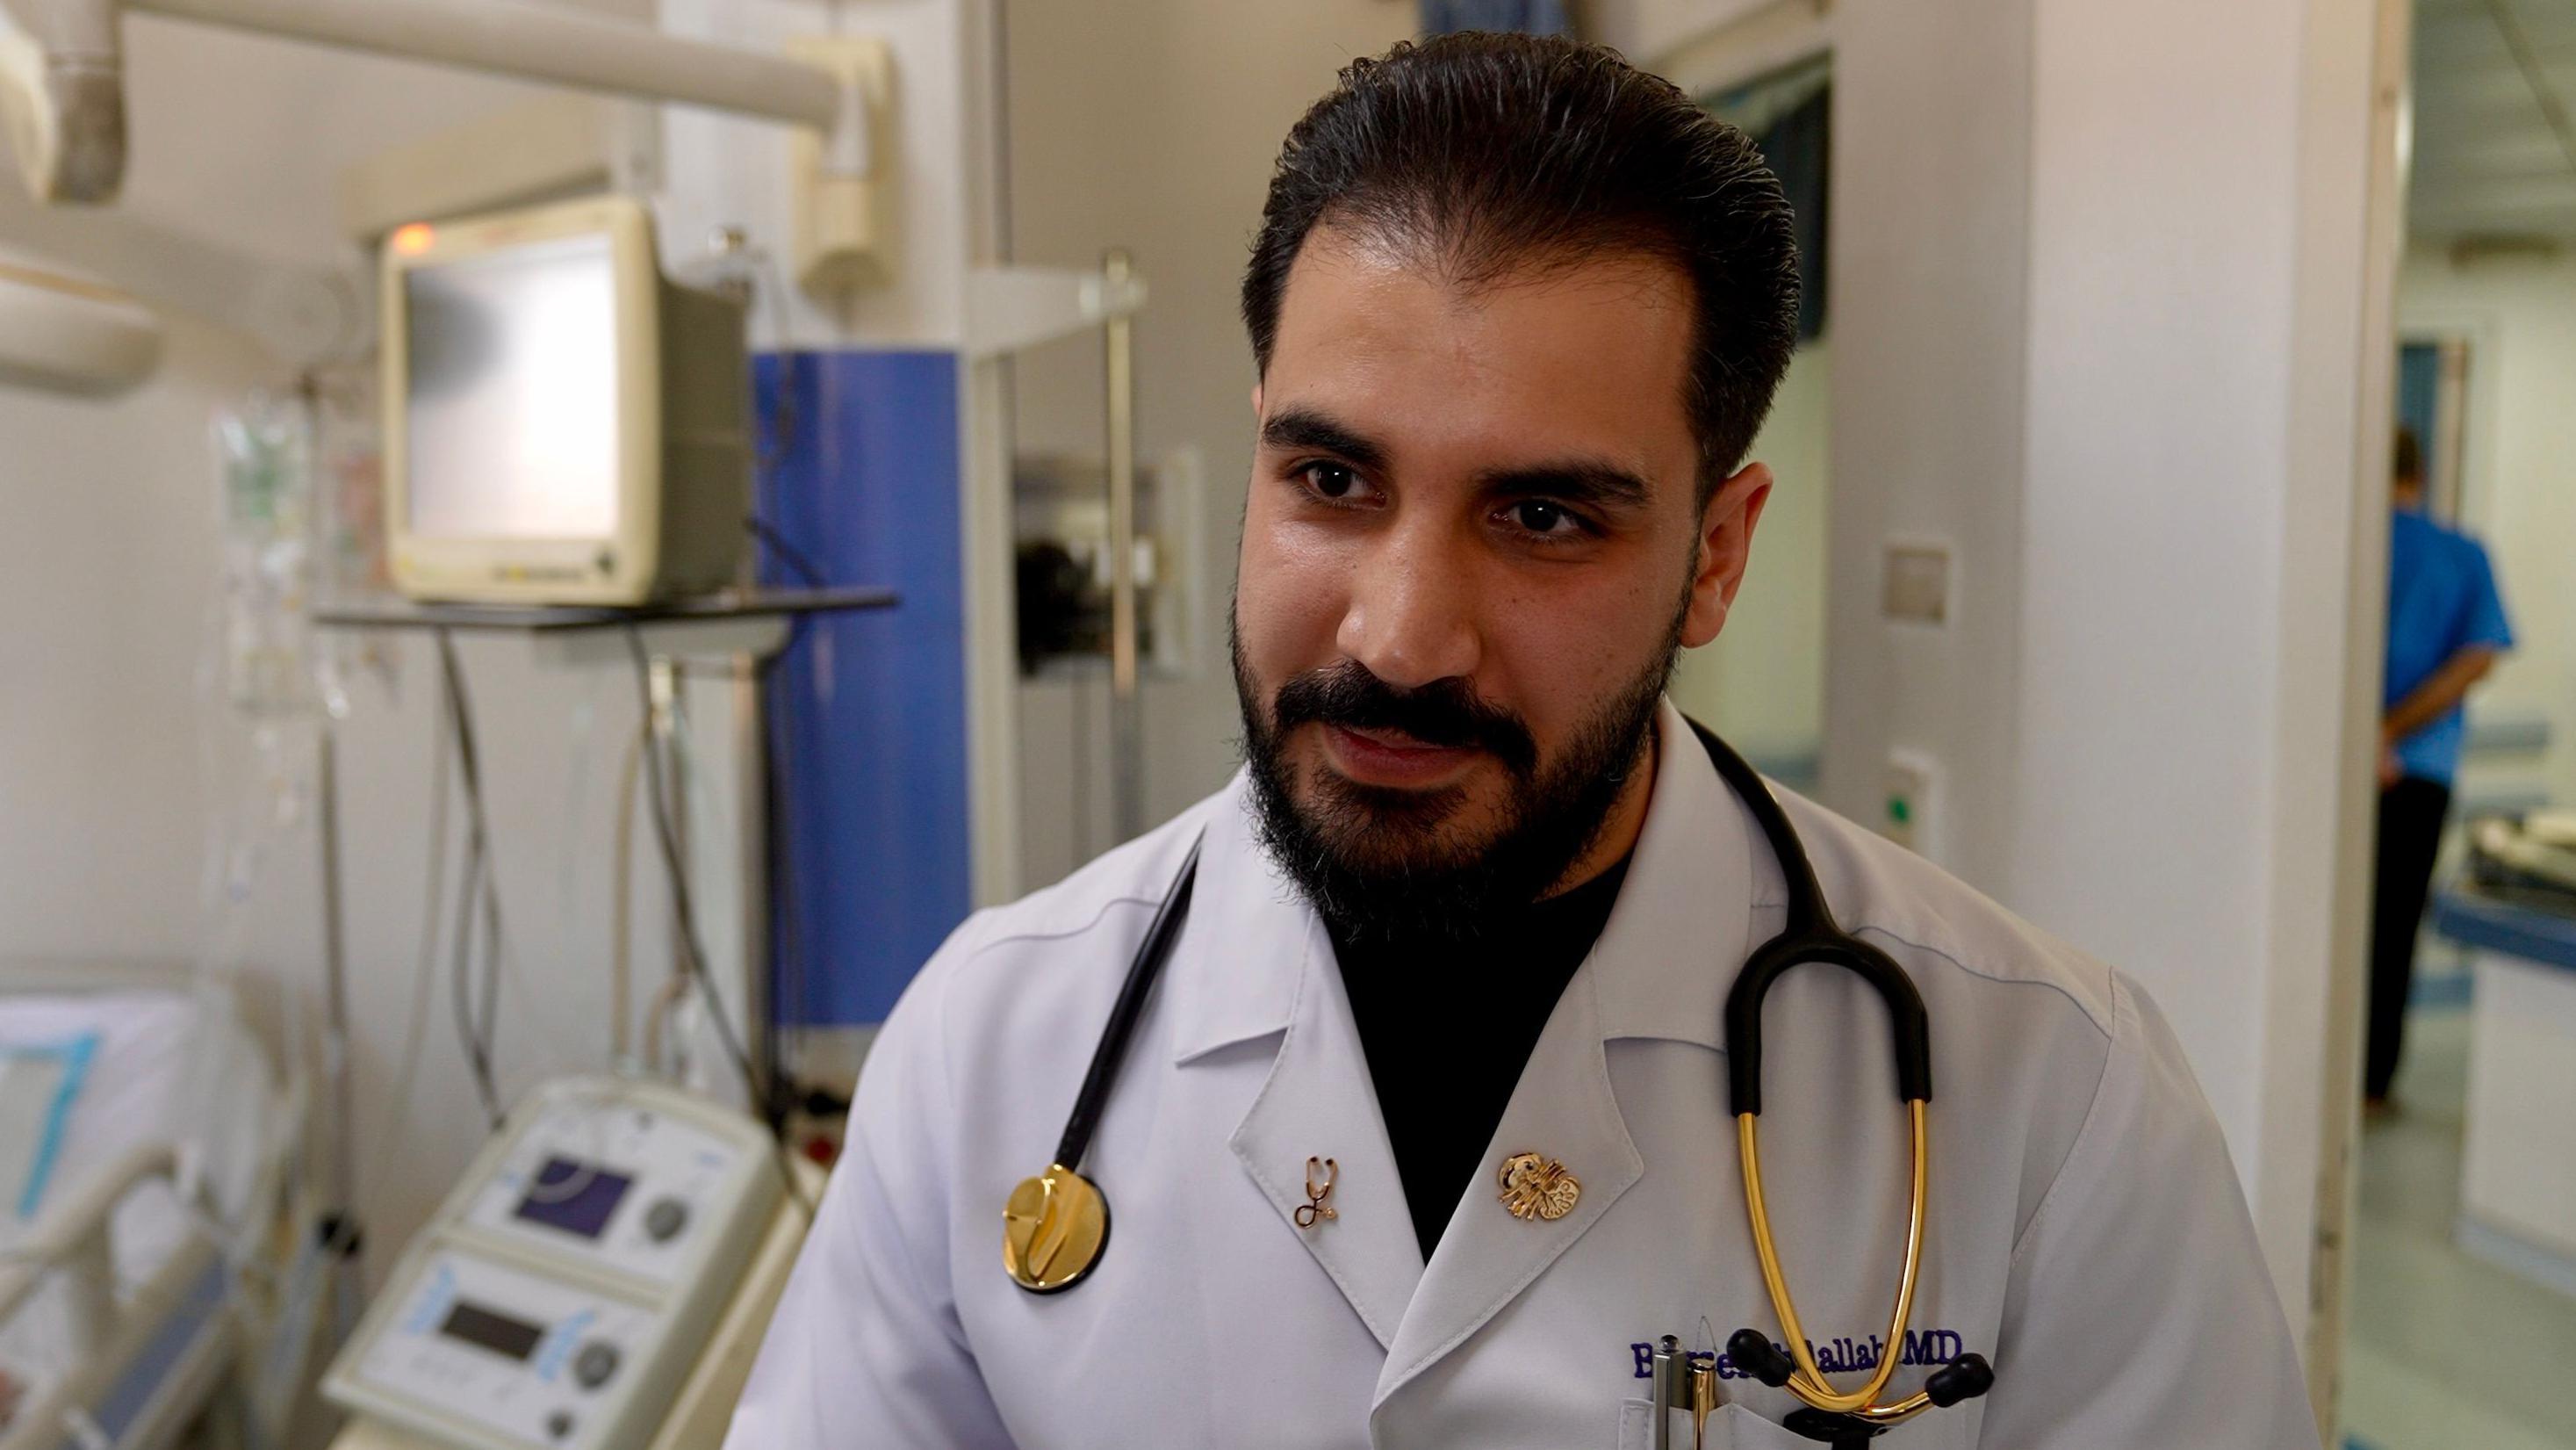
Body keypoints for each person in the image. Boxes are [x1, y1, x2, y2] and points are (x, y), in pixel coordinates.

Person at [727, 33, 2315, 1448]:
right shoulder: (988, 1046)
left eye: (1542, 514)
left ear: (1714, 553)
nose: (1398, 636)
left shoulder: (2046, 1098)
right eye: (1330, 482)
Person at [2365, 427, 2513, 1113]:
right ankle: (2370, 1084)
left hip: (2343, 776)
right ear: (2418, 473)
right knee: (2392, 928)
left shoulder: (2347, 547)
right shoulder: (2459, 554)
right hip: (2418, 769)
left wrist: (2359, 740)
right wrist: (2391, 733)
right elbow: (2478, 656)